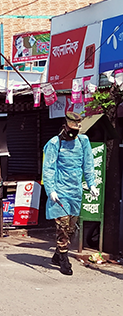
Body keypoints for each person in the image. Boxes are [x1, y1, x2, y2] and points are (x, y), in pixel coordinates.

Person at [43, 112, 98, 276]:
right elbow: (49, 169)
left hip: (75, 191)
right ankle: (64, 261)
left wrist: (92, 184)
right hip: (60, 191)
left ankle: (57, 255)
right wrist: (51, 189)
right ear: (65, 126)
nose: (74, 132)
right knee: (62, 225)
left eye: (77, 129)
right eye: (72, 128)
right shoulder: (54, 143)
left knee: (71, 228)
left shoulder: (83, 141)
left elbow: (88, 165)